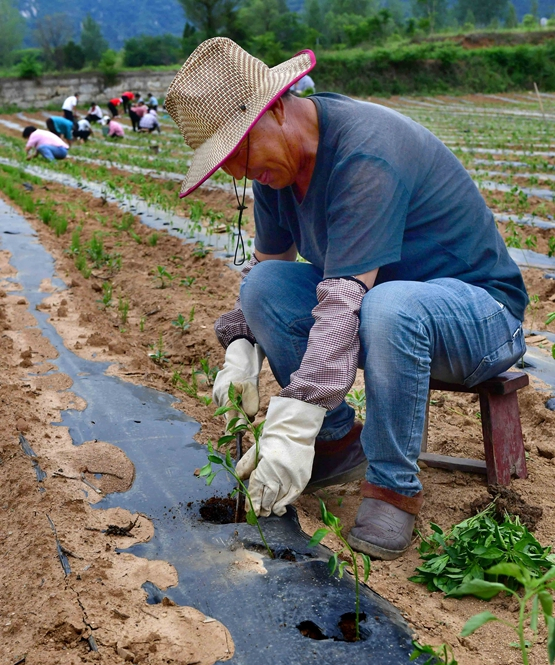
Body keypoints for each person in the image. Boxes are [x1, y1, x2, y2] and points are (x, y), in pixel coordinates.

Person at [166, 38, 528, 560]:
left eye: (238, 151)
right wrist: (241, 346)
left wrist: (295, 412)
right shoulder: (278, 172)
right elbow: (270, 270)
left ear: (276, 109)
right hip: (388, 311)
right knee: (262, 289)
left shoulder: (366, 149)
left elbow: (346, 300)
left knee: (388, 306)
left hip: (479, 315)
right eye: (225, 163)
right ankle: (336, 444)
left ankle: (393, 487)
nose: (239, 172)